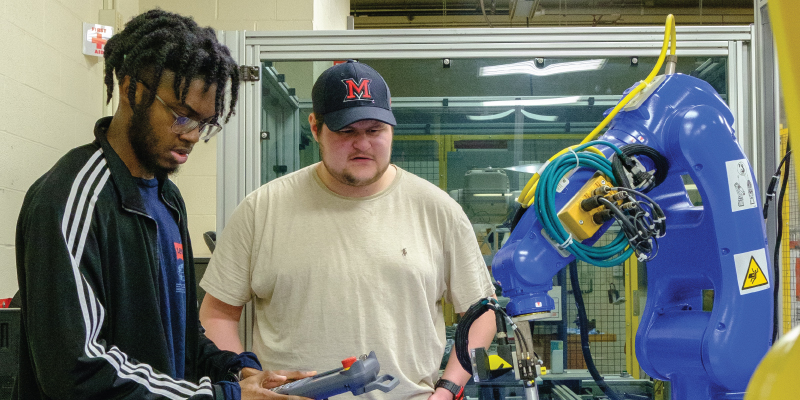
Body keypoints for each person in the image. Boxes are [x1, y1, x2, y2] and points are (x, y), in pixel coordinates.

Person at [14, 9, 312, 400]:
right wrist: (221, 397)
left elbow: (181, 331)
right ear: (131, 90)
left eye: (204, 124)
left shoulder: (167, 198)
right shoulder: (71, 198)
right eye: (182, 116)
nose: (191, 137)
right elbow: (78, 371)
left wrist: (234, 370)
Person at [198, 60, 498, 400]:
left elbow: (481, 315)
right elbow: (217, 312)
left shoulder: (439, 210)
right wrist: (249, 376)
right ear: (315, 128)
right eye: (347, 132)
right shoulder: (261, 209)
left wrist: (447, 390)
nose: (363, 144)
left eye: (375, 131)